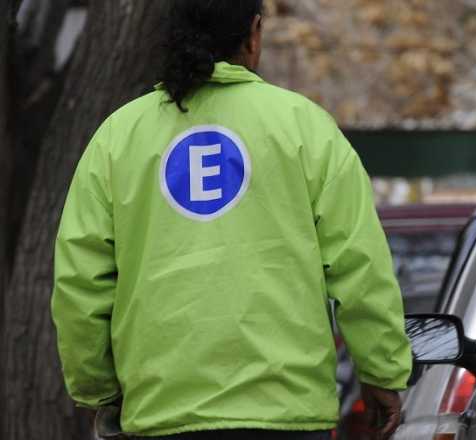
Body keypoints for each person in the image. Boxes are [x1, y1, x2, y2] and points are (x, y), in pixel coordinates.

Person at [50, 1, 411, 439]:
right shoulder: (305, 128)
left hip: (161, 412)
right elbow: (361, 268)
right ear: (254, 32)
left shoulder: (118, 138)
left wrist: (99, 391)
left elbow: (81, 284)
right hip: (287, 412)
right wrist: (382, 373)